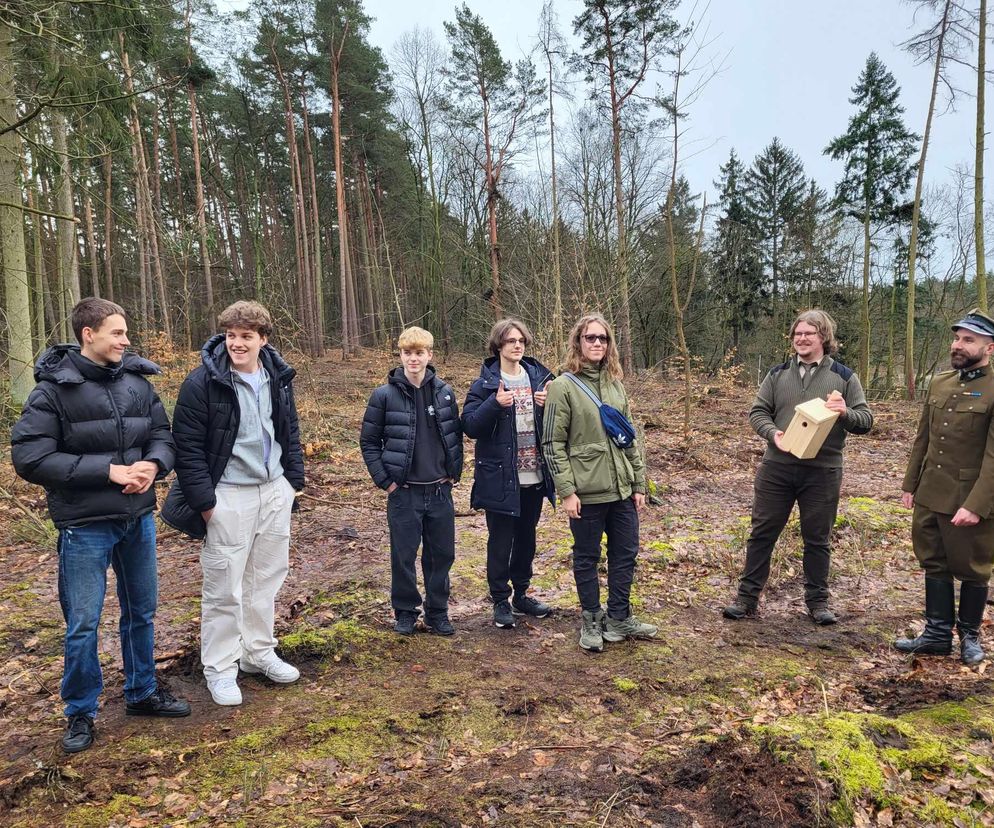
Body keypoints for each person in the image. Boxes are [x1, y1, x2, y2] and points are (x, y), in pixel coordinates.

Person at [11, 298, 190, 753]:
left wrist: (153, 464)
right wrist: (107, 471)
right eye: (117, 332)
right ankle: (80, 712)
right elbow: (30, 457)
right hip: (84, 524)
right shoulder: (51, 391)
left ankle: (142, 692)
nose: (126, 340)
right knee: (84, 623)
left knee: (142, 612)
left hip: (138, 519)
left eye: (125, 332)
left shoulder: (136, 381)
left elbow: (161, 434)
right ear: (88, 334)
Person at [162, 301, 305, 706]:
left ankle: (258, 653)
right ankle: (221, 670)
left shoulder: (278, 376)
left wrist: (292, 482)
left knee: (266, 580)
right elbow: (186, 449)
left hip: (274, 491)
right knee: (225, 588)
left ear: (263, 339)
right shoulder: (202, 383)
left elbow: (289, 430)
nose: (237, 344)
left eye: (246, 336)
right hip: (227, 496)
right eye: (231, 335)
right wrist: (207, 504)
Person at [722, 309, 873, 625]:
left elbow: (866, 421)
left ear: (823, 337)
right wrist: (772, 433)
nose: (802, 339)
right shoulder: (777, 375)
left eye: (810, 333)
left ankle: (818, 603)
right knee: (762, 533)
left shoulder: (844, 378)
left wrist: (845, 412)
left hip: (822, 472)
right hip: (776, 468)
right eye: (798, 334)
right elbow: (758, 412)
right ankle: (747, 599)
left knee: (817, 538)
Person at [541, 313, 656, 652]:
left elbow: (631, 438)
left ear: (609, 345)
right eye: (590, 338)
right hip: (586, 492)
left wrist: (638, 484)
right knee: (587, 556)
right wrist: (567, 491)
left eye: (602, 339)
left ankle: (619, 616)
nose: (596, 343)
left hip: (621, 489)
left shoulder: (615, 384)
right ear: (578, 342)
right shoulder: (563, 386)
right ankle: (591, 618)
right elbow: (552, 443)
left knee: (625, 554)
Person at [895, 309, 994, 665]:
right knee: (933, 562)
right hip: (930, 492)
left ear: (989, 347)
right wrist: (911, 484)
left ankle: (969, 635)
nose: (958, 345)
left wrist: (977, 504)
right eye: (957, 338)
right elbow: (923, 438)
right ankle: (937, 634)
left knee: (973, 566)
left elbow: (993, 457)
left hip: (970, 497)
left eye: (969, 340)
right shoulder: (940, 382)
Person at [360, 326, 463, 636]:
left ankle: (437, 612)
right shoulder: (384, 395)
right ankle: (405, 612)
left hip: (439, 490)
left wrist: (453, 474)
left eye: (419, 353)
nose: (413, 358)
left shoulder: (445, 393)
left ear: (429, 355)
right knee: (403, 556)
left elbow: (455, 436)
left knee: (441, 555)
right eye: (408, 353)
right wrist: (386, 482)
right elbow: (368, 442)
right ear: (400, 355)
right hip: (404, 493)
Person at [462, 318, 556, 629]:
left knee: (527, 538)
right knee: (500, 540)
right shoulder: (485, 384)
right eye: (511, 341)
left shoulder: (543, 380)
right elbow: (470, 426)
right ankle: (500, 599)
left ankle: (522, 595)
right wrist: (495, 403)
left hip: (534, 476)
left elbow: (562, 424)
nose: (517, 345)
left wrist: (550, 405)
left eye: (521, 341)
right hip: (501, 477)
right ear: (498, 346)